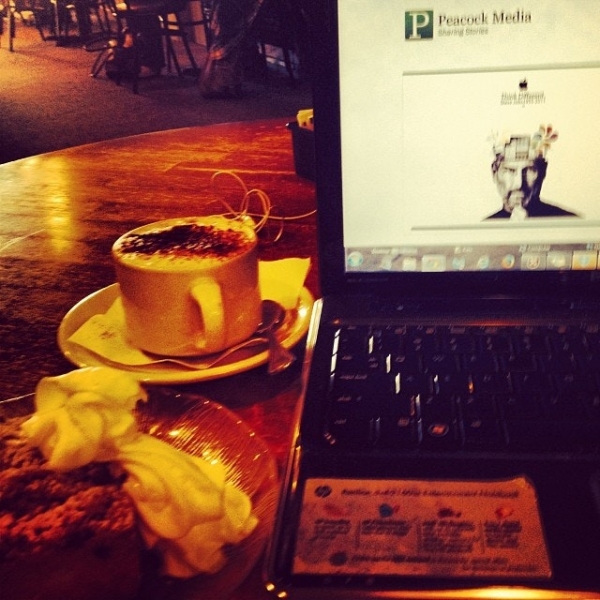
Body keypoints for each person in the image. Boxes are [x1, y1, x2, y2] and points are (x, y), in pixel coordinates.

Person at [486, 126, 578, 220]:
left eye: (529, 170)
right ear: (494, 173)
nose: (519, 184)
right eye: (510, 171)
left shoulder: (570, 221)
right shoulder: (485, 226)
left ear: (542, 172)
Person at [199, 0, 265, 98]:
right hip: (233, 16)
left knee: (227, 45)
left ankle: (222, 84)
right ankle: (225, 84)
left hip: (231, 16)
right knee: (229, 46)